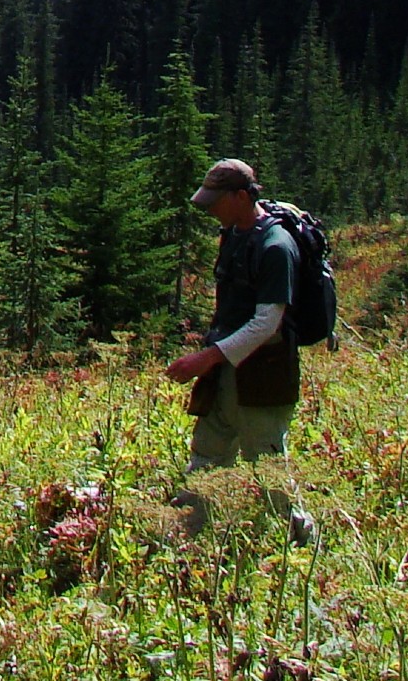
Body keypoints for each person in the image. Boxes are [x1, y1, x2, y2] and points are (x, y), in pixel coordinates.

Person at [164, 158, 316, 544]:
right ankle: (187, 535)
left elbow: (267, 325)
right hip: (226, 374)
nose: (210, 207)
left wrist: (206, 358)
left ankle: (299, 545)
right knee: (207, 453)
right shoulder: (233, 235)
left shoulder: (275, 247)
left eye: (217, 200)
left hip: (263, 377)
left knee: (269, 472)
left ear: (240, 196)